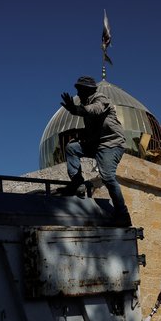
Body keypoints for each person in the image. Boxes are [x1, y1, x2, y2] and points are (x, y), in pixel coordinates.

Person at [60, 76, 131, 226]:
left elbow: (96, 110)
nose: (78, 94)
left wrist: (76, 110)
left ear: (88, 90)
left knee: (107, 176)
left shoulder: (100, 98)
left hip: (111, 145)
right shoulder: (86, 103)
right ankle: (78, 183)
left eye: (80, 91)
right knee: (72, 148)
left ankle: (122, 214)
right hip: (97, 144)